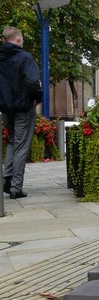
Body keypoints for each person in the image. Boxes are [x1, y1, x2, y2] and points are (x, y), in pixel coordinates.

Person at [0, 26, 43, 199]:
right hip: (23, 108)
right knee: (21, 146)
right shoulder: (25, 57)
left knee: (11, 142)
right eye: (22, 39)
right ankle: (16, 188)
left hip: (5, 108)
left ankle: (7, 181)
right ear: (18, 39)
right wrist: (37, 98)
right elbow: (33, 82)